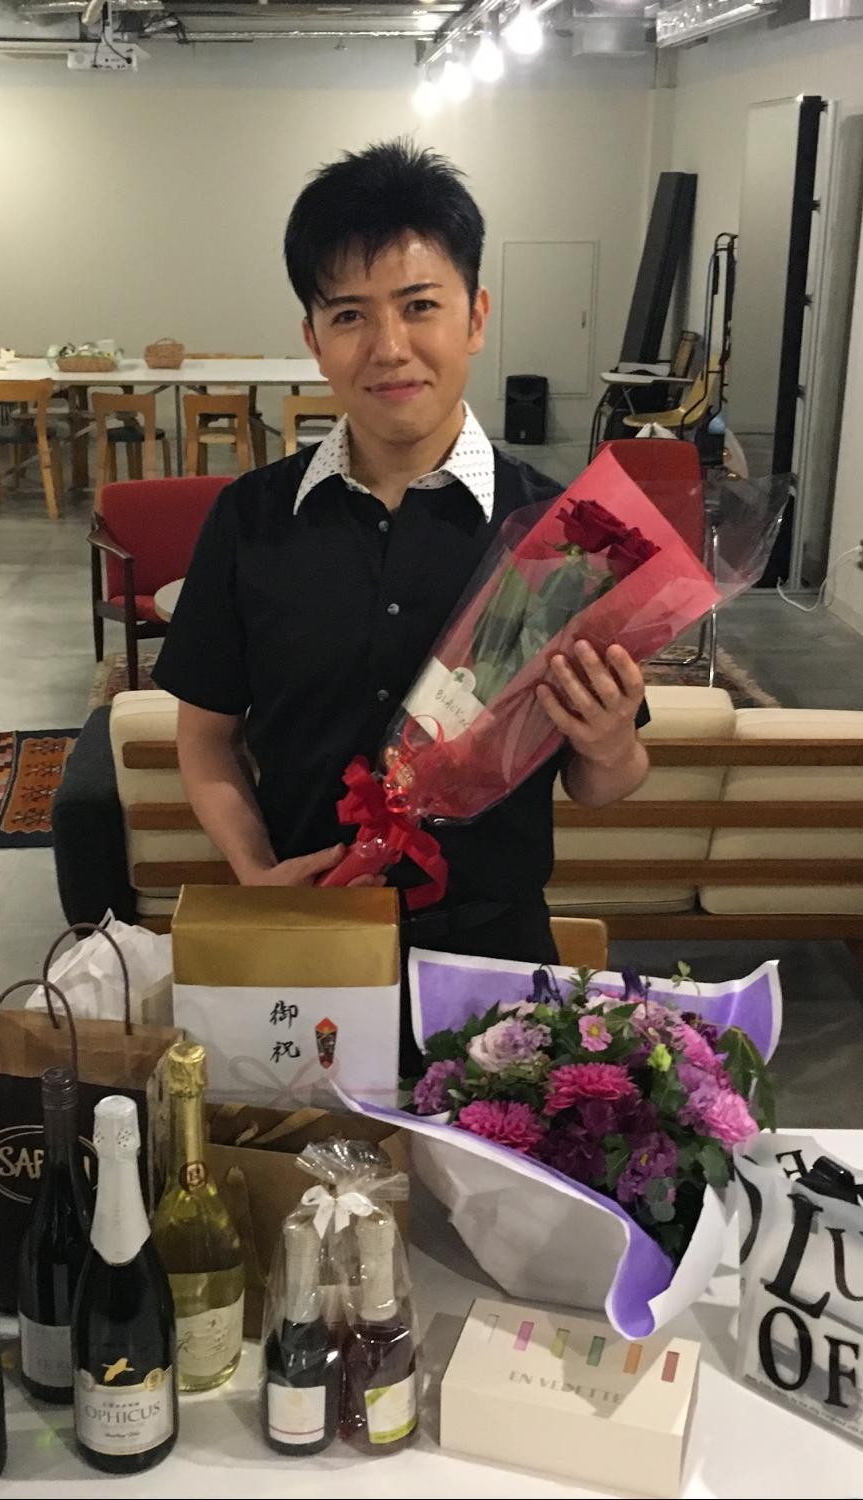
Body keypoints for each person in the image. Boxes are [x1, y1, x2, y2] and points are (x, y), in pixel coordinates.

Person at [152, 139, 650, 995]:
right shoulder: (253, 519)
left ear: (475, 317)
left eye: (419, 305)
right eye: (349, 315)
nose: (388, 347)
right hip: (307, 940)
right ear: (312, 340)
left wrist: (609, 742)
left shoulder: (565, 538)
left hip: (493, 961)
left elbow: (604, 782)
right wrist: (257, 873)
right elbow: (204, 739)